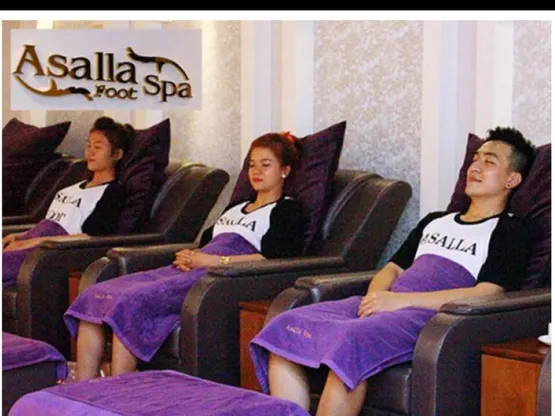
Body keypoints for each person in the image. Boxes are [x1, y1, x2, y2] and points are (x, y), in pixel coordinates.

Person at [249, 126, 536, 416]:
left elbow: (488, 292)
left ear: (512, 179)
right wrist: (376, 297)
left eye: (489, 162)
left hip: (430, 315)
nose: (475, 167)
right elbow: (392, 268)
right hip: (384, 303)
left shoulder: (510, 230)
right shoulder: (435, 221)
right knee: (284, 326)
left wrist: (399, 302)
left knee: (351, 341)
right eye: (475, 159)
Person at [63, 132, 308, 381]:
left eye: (266, 165)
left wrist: (216, 262)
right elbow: (208, 243)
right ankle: (83, 388)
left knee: (131, 301)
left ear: (285, 170)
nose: (256, 171)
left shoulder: (287, 209)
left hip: (217, 276)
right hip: (191, 268)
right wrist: (191, 255)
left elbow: (275, 258)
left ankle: (118, 393)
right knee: (96, 294)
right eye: (252, 165)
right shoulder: (236, 208)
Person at [2, 117, 132, 288]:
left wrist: (35, 242)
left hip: (53, 251)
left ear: (117, 154)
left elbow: (92, 236)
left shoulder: (113, 192)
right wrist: (18, 236)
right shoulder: (71, 187)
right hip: (36, 240)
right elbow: (49, 222)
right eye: (89, 145)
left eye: (98, 147)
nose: (90, 152)